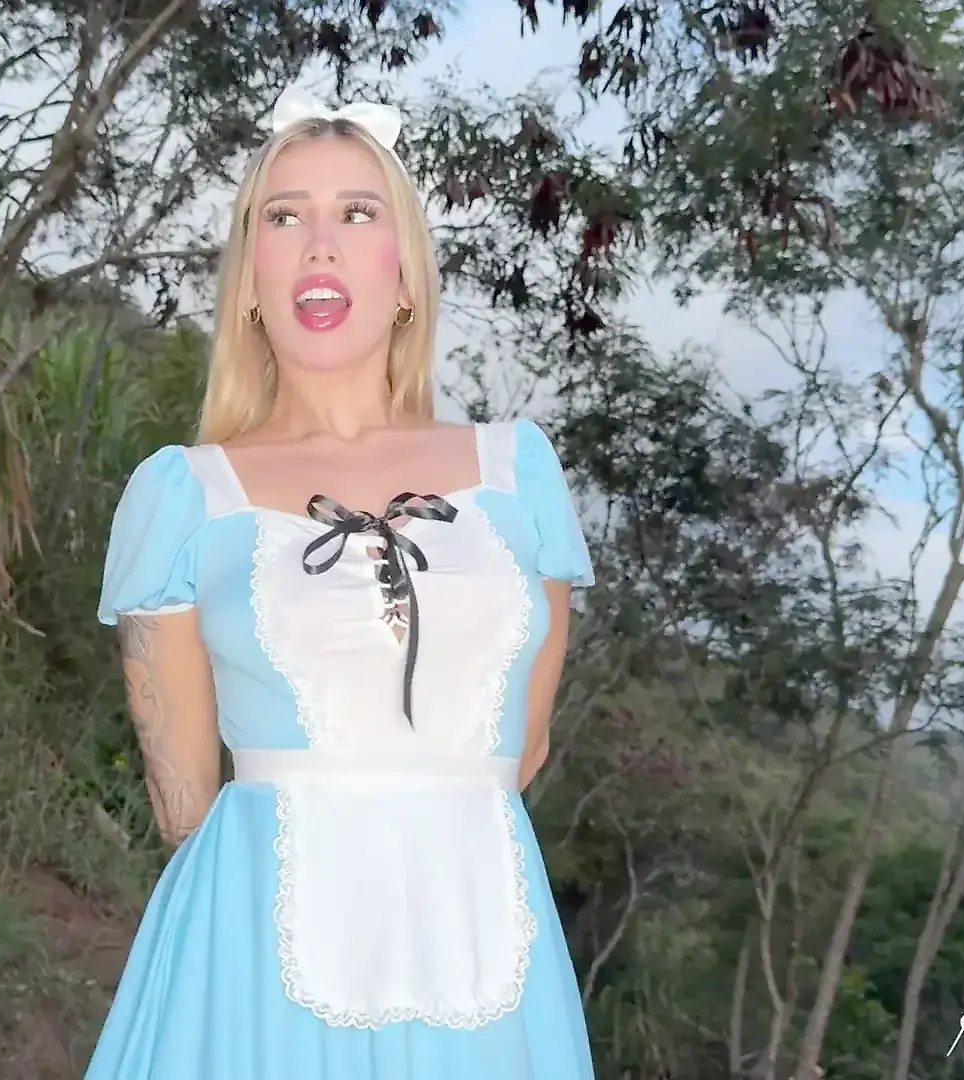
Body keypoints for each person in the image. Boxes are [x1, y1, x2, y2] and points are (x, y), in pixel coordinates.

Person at [86, 84, 598, 1080]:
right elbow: (186, 803)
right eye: (285, 218)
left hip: (485, 952)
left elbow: (523, 748)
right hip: (256, 969)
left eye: (357, 213)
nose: (320, 245)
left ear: (405, 273)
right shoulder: (183, 496)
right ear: (250, 279)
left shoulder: (520, 474)